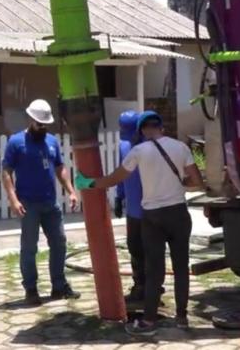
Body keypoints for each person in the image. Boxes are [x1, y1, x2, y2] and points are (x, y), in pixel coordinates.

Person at [75, 111, 204, 336]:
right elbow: (197, 181)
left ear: (142, 131)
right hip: (178, 214)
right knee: (181, 267)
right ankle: (182, 317)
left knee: (153, 270)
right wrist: (179, 184)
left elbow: (116, 178)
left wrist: (90, 183)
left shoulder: (138, 151)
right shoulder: (180, 147)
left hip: (152, 217)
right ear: (161, 127)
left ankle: (149, 320)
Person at [1, 99, 80, 306]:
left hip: (50, 203)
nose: (42, 128)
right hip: (28, 204)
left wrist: (71, 191)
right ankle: (31, 288)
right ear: (30, 120)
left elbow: (60, 168)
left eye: (45, 124)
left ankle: (59, 285)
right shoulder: (16, 143)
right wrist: (13, 199)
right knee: (29, 247)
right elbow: (7, 173)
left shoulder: (52, 142)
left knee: (59, 242)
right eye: (39, 124)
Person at [114, 110, 147, 303]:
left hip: (144, 209)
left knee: (144, 249)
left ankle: (147, 286)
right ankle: (143, 286)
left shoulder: (143, 147)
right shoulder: (129, 146)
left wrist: (120, 196)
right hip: (139, 209)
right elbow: (122, 173)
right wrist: (120, 196)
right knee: (140, 249)